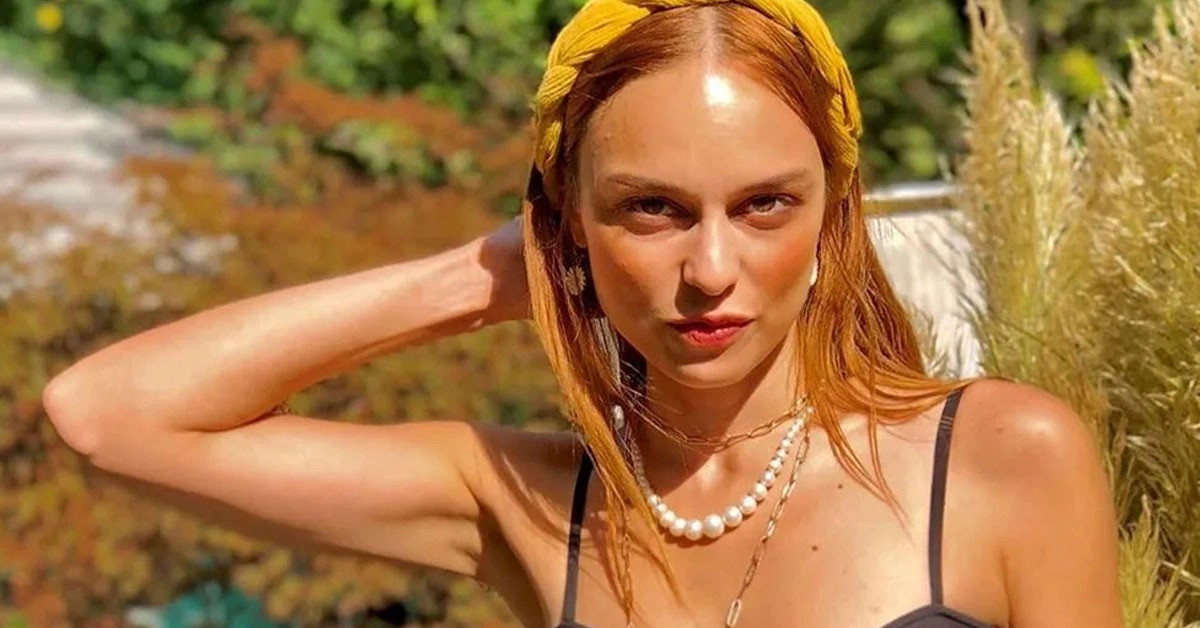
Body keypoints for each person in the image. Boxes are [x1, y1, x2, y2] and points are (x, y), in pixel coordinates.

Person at [42, 1, 1123, 627]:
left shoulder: (999, 457)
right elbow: (107, 413)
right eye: (651, 208)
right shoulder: (525, 502)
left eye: (765, 206)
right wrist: (487, 275)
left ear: (833, 215)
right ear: (570, 226)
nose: (711, 269)